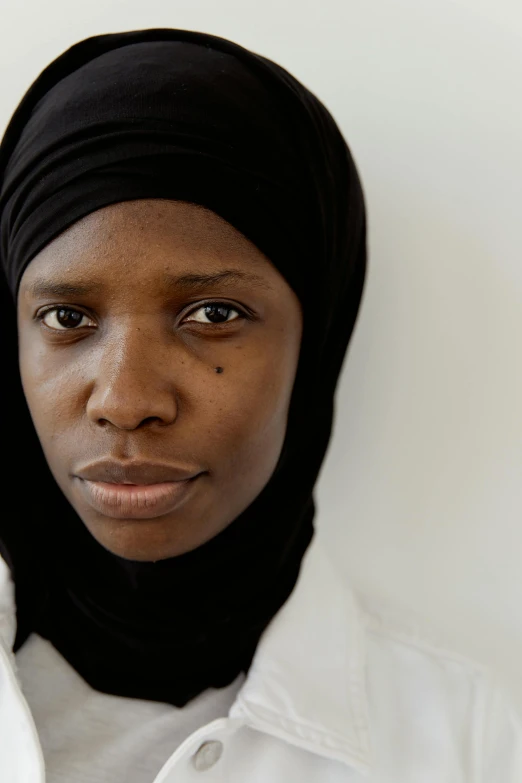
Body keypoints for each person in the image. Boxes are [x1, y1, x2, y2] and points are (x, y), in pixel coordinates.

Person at [0, 27, 520, 783]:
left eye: (212, 314)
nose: (126, 401)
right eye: (67, 318)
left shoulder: (470, 744)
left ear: (317, 340)